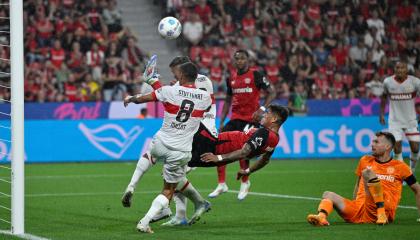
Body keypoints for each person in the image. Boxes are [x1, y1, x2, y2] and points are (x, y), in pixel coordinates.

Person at [121, 56, 216, 226]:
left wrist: (143, 88)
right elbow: (203, 107)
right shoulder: (205, 97)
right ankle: (155, 217)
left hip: (162, 143)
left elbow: (149, 97)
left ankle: (133, 186)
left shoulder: (170, 90)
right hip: (183, 149)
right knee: (170, 186)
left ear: (181, 75)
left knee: (152, 156)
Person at [160, 104, 289, 225]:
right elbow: (264, 160)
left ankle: (178, 210)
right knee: (174, 167)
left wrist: (218, 157)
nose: (264, 115)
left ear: (274, 119)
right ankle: (186, 212)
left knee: (175, 157)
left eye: (267, 114)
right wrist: (247, 171)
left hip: (213, 145)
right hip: (215, 147)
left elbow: (244, 152)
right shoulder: (275, 139)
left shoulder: (264, 133)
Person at [307, 131, 420, 226]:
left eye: (376, 142)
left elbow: (417, 189)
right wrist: (356, 202)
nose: (372, 144)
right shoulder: (365, 160)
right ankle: (321, 217)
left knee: (368, 173)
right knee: (328, 194)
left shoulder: (400, 167)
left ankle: (381, 213)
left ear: (387, 147)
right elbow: (358, 184)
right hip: (360, 209)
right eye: (372, 141)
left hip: (381, 210)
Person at [211, 49, 276, 200]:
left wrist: (262, 109)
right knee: (218, 144)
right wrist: (221, 120)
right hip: (235, 118)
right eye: (237, 59)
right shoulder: (231, 78)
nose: (239, 61)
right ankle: (221, 184)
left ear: (247, 60)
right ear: (234, 61)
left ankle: (245, 182)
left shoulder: (256, 75)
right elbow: (228, 100)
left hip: (251, 119)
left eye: (242, 58)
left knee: (244, 147)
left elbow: (272, 92)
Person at [380, 61, 420, 174]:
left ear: (406, 70)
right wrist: (382, 113)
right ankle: (403, 175)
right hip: (394, 121)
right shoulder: (388, 82)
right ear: (394, 69)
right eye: (397, 68)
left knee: (415, 148)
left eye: (402, 68)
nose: (399, 70)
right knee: (397, 149)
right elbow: (383, 98)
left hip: (411, 121)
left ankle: (411, 170)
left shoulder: (415, 82)